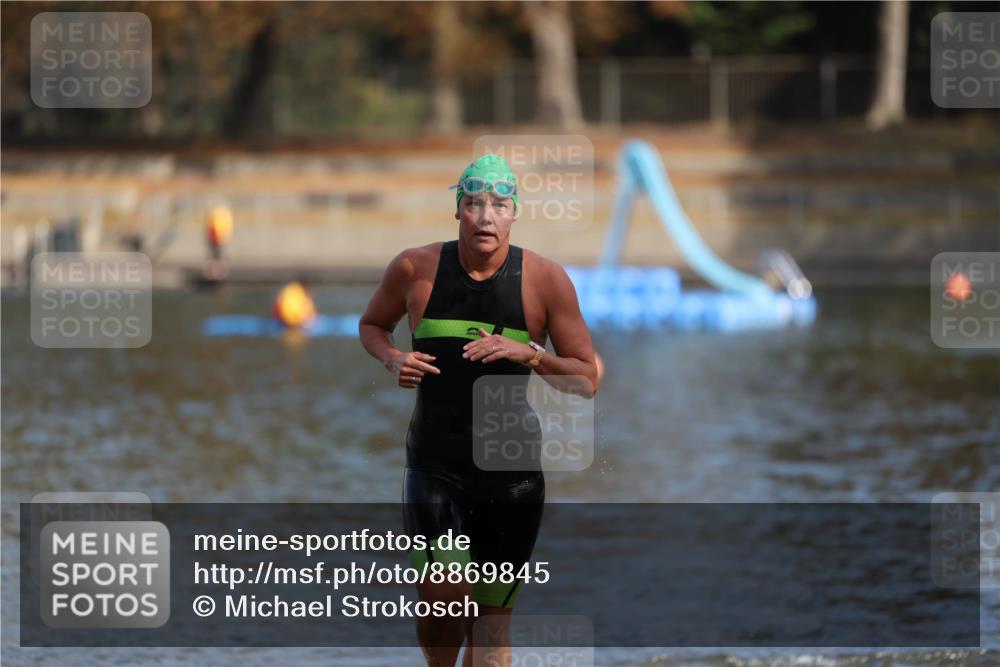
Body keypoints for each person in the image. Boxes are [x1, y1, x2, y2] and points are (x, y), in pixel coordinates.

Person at [359, 154, 600, 667]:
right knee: (444, 599)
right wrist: (392, 357)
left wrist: (529, 354)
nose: (486, 217)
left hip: (511, 477)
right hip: (434, 466)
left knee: (491, 624)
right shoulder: (414, 268)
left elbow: (587, 380)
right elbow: (372, 325)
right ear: (458, 211)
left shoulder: (545, 280)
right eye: (473, 204)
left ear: (515, 213)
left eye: (498, 205)